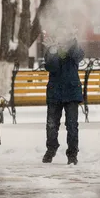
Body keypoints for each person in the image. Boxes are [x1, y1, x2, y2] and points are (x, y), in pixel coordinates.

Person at [42, 34, 84, 165]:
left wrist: (72, 42)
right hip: (55, 91)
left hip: (71, 92)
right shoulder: (51, 49)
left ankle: (72, 154)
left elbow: (78, 56)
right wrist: (53, 50)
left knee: (72, 125)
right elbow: (51, 67)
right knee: (51, 124)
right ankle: (51, 148)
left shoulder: (74, 47)